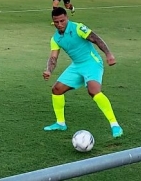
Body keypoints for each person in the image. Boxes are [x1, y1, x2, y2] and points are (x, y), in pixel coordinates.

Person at [43, 7, 123, 138]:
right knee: (56, 89)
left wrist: (108, 54)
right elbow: (53, 57)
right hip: (77, 66)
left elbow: (96, 39)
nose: (59, 24)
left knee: (93, 90)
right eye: (56, 22)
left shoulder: (78, 28)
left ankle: (115, 125)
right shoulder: (55, 38)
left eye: (62, 21)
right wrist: (48, 70)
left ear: (67, 18)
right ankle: (60, 123)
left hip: (92, 62)